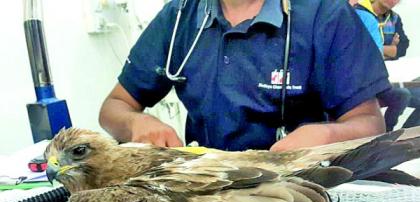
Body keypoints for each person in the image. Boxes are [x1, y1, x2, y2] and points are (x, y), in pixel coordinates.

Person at [99, 0, 389, 152]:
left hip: (298, 188)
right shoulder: (178, 18)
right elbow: (114, 107)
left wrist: (325, 136)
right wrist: (136, 123)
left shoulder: (323, 15)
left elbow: (370, 124)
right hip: (208, 192)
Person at [354, 0, 411, 131]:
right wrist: (390, 48)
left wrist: (381, 50)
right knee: (402, 95)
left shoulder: (394, 18)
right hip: (361, 81)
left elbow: (402, 48)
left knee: (407, 96)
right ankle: (384, 133)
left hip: (383, 78)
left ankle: (395, 133)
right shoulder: (359, 13)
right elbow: (364, 50)